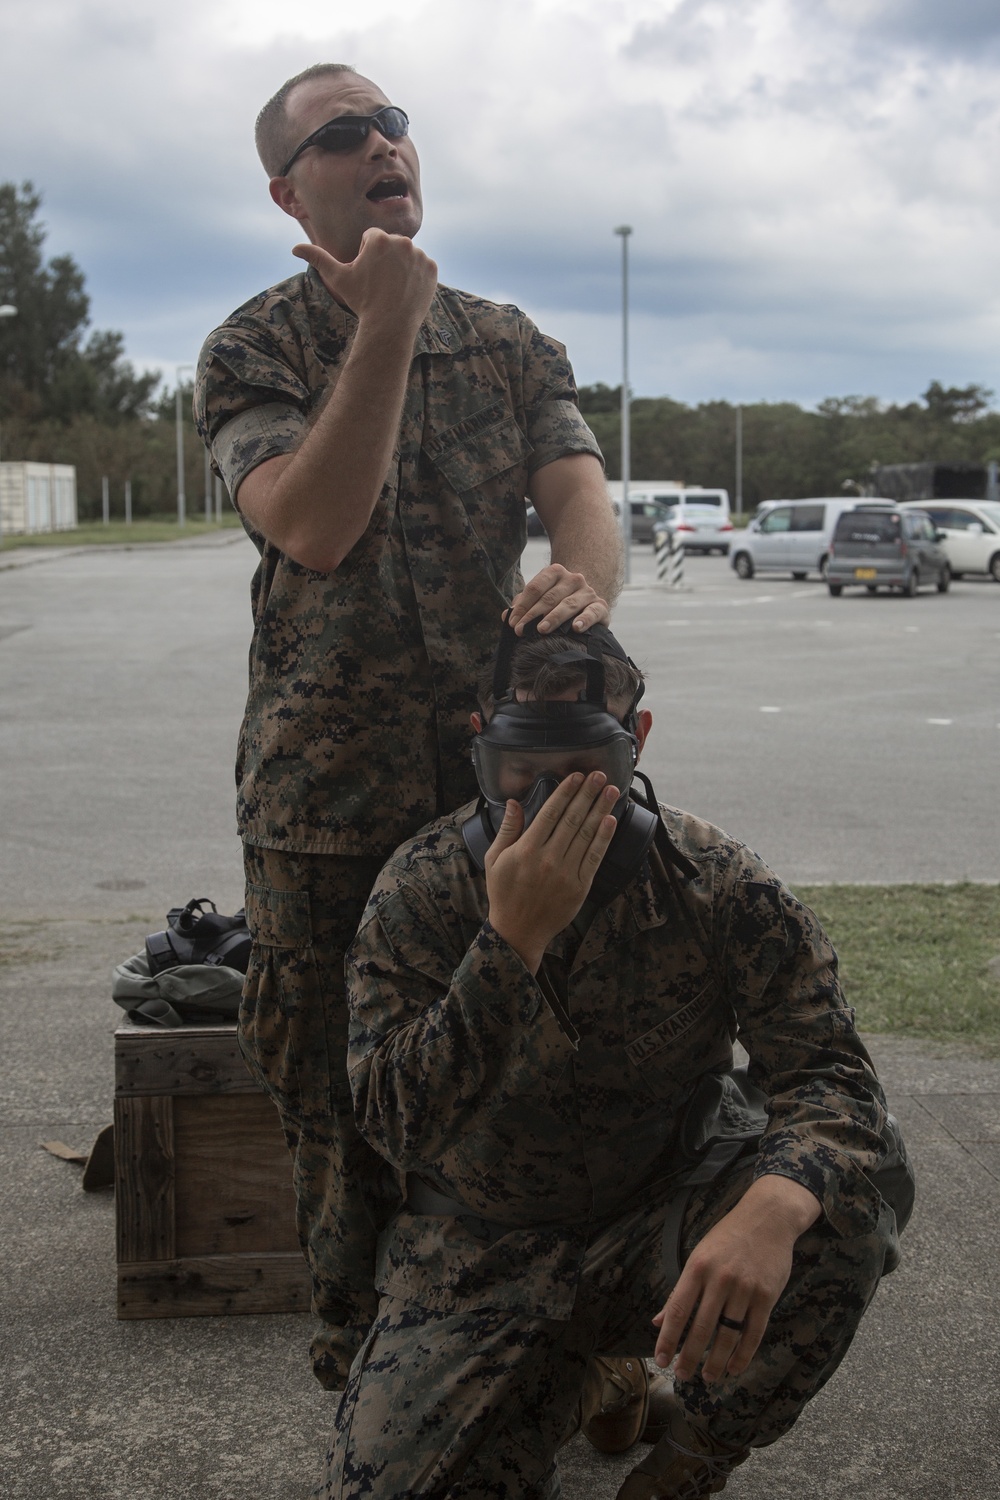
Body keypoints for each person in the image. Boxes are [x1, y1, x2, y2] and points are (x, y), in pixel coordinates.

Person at [192, 63, 623, 1390]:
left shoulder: (505, 340)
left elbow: (583, 503)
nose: (385, 143)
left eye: (395, 125)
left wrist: (583, 579)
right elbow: (314, 525)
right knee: (339, 1107)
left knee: (522, 1065)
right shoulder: (253, 347)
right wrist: (381, 326)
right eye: (343, 135)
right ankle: (367, 1381)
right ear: (287, 189)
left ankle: (536, 1354)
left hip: (494, 785)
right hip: (323, 803)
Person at [328, 619, 912, 1499]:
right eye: (522, 772)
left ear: (635, 741)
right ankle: (584, 1376)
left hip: (659, 1222)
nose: (552, 803)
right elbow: (390, 1118)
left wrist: (772, 1209)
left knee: (843, 1204)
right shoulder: (422, 887)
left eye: (582, 771)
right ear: (480, 744)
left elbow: (832, 1074)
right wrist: (507, 945)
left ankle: (689, 1459)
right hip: (481, 1247)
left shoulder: (714, 881)